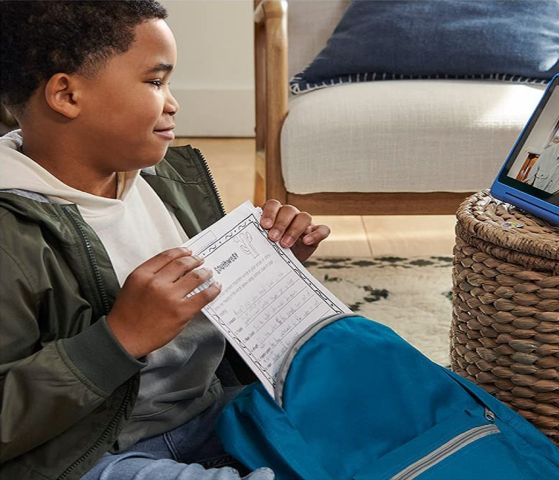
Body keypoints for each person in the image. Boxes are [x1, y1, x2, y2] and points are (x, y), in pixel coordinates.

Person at [0, 2, 330, 479]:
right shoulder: (12, 232)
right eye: (155, 82)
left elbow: (219, 345)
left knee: (374, 416)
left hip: (214, 415)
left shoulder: (169, 182)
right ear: (66, 95)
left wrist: (273, 266)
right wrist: (119, 338)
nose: (173, 103)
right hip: (89, 455)